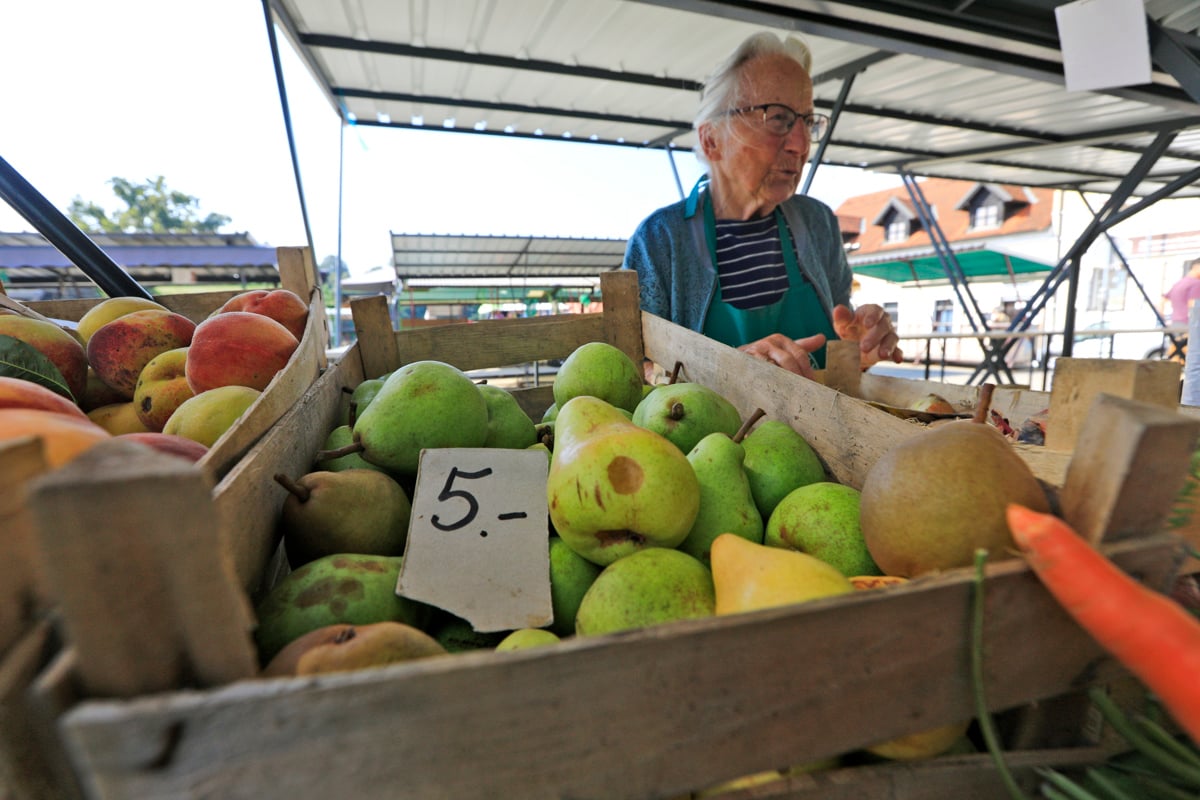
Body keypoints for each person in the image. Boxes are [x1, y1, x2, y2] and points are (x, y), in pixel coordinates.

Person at [621, 31, 903, 379]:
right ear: (712, 141)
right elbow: (636, 373)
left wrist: (860, 346)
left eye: (807, 122)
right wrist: (728, 371)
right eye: (778, 119)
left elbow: (840, 362)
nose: (800, 145)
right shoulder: (660, 241)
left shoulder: (818, 224)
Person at [1163, 258, 1200, 327]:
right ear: (1196, 267)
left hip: (1175, 324)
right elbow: (1193, 305)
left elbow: (1162, 300)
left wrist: (1162, 319)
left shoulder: (1178, 283)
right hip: (1189, 325)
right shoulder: (1196, 283)